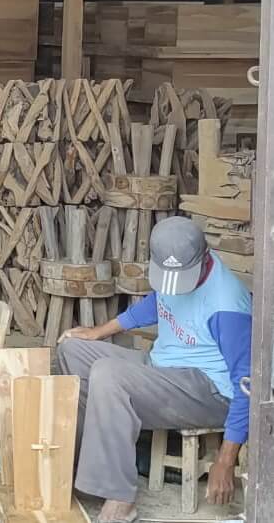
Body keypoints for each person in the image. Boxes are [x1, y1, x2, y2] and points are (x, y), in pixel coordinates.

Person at [57, 215, 251, 523]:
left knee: (109, 375)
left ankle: (120, 497)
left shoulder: (227, 306)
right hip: (165, 368)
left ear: (204, 257)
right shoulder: (178, 271)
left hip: (210, 392)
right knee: (73, 349)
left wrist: (226, 459)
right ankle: (77, 459)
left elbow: (247, 385)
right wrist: (97, 332)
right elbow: (155, 305)